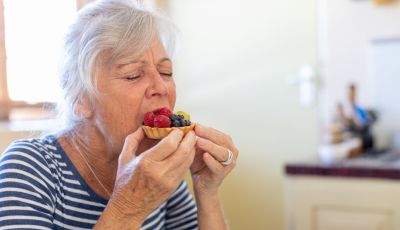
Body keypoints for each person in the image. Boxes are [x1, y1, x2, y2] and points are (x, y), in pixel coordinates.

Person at [0, 0, 238, 229]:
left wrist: (206, 190)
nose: (162, 87)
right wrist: (129, 206)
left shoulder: (158, 171)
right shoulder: (28, 168)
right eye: (133, 74)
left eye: (166, 71)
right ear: (79, 99)